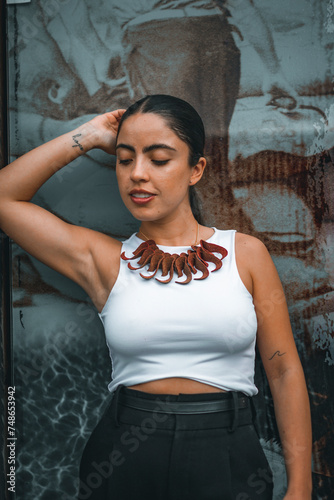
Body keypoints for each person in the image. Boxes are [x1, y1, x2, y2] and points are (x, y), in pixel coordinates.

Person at [0, 94, 312, 499]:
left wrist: (301, 485)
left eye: (159, 159)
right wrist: (90, 135)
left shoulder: (246, 253)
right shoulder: (105, 260)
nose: (137, 174)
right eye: (125, 159)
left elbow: (284, 372)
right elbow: (5, 199)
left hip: (228, 453)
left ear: (195, 169)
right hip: (124, 452)